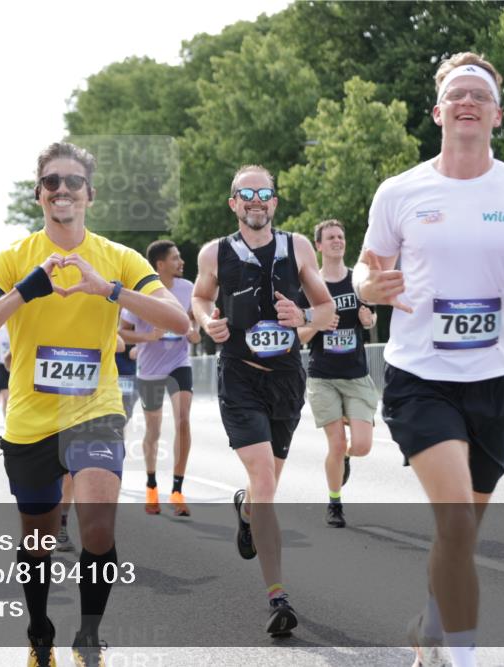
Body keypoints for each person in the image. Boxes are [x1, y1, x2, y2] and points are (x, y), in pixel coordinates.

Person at [354, 52, 504, 667]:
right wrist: (371, 288)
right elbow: (369, 270)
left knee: (462, 535)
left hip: (495, 383)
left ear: (497, 115)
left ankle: (431, 627)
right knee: (453, 525)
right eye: (457, 93)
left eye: (480, 94)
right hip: (422, 379)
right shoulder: (401, 191)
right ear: (438, 111)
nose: (468, 101)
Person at [0, 142, 189, 667]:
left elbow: (179, 322)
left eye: (73, 182)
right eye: (53, 182)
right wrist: (23, 293)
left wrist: (108, 290)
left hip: (96, 411)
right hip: (30, 420)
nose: (63, 190)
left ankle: (89, 634)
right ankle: (39, 630)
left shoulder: (119, 259)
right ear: (39, 195)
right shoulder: (13, 258)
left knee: (98, 525)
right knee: (37, 541)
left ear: (90, 193)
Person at [192, 164, 336, 638]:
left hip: (286, 380)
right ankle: (278, 596)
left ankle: (246, 509)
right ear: (233, 203)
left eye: (264, 193)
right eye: (245, 193)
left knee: (265, 482)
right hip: (239, 378)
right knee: (264, 480)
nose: (256, 200)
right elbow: (199, 298)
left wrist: (303, 315)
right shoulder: (214, 252)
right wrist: (204, 321)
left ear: (274, 202)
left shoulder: (298, 247)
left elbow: (328, 312)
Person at [296, 220, 379, 528]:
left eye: (341, 236)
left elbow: (369, 320)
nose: (337, 241)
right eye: (330, 237)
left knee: (361, 446)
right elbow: (298, 336)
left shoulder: (358, 282)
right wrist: (317, 324)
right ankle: (335, 503)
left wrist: (367, 319)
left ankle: (345, 458)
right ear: (318, 245)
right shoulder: (310, 287)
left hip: (356, 374)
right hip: (323, 376)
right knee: (334, 443)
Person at [119, 240, 202, 517]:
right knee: (153, 431)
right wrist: (147, 337)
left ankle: (177, 490)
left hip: (179, 363)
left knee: (183, 420)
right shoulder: (141, 293)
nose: (182, 262)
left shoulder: (187, 288)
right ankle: (151, 485)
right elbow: (122, 333)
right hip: (150, 369)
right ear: (160, 265)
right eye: (176, 258)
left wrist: (194, 331)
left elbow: (193, 324)